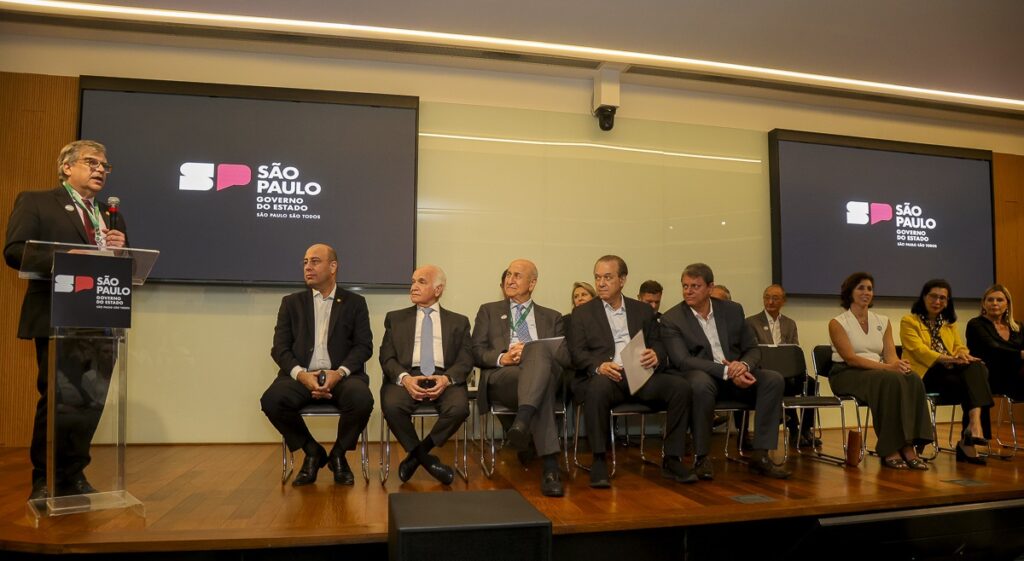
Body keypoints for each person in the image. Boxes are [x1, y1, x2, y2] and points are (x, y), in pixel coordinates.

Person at [4, 140, 127, 500]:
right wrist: (64, 257)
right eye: (91, 162)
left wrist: (120, 250)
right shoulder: (37, 201)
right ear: (67, 167)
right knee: (59, 400)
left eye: (105, 165)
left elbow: (124, 265)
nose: (101, 169)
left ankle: (74, 475)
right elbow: (14, 251)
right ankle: (44, 478)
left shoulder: (110, 214)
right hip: (59, 317)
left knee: (91, 401)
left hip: (103, 318)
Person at [569, 255, 696, 488]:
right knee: (596, 386)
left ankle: (672, 458)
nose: (601, 283)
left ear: (623, 279)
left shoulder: (642, 310)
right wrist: (598, 366)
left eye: (608, 277)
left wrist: (656, 355)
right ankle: (599, 459)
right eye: (598, 278)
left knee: (681, 387)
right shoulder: (583, 313)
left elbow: (658, 342)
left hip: (641, 375)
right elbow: (577, 353)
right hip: (609, 376)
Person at [661, 263, 791, 479]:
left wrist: (744, 366)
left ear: (710, 288)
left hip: (735, 374)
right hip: (702, 376)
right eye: (685, 286)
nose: (688, 291)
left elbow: (751, 348)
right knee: (699, 383)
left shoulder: (732, 310)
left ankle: (760, 455)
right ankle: (702, 458)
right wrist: (728, 371)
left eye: (695, 286)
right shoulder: (672, 318)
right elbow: (682, 360)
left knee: (773, 380)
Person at [260, 244, 374, 486]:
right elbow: (279, 348)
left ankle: (338, 455)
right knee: (271, 400)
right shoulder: (291, 303)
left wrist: (339, 373)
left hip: (341, 376)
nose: (307, 267)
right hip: (302, 375)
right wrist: (301, 375)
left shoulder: (355, 303)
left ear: (333, 267)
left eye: (314, 261)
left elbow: (364, 347)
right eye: (304, 262)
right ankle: (312, 452)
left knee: (362, 399)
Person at [471, 259, 570, 497]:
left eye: (517, 275)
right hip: (504, 377)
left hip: (542, 376)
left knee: (537, 357)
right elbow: (475, 351)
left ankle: (522, 424)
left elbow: (564, 357)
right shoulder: (489, 311)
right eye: (508, 275)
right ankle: (550, 467)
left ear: (532, 283)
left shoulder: (553, 317)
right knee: (541, 379)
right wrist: (502, 357)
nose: (510, 279)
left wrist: (533, 352)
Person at [828, 272, 933, 470]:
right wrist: (888, 368)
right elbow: (851, 358)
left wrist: (899, 366)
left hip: (878, 373)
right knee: (889, 380)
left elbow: (891, 355)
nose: (866, 292)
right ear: (849, 292)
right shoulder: (838, 322)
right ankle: (890, 449)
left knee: (912, 379)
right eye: (860, 288)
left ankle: (910, 445)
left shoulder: (882, 321)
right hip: (846, 373)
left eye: (869, 288)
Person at [379, 265, 472, 485]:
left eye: (421, 282)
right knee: (392, 406)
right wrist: (405, 379)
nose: (413, 287)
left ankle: (418, 454)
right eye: (413, 281)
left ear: (438, 289)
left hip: (444, 376)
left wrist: (446, 379)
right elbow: (386, 358)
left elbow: (466, 359)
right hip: (408, 375)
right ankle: (428, 461)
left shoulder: (459, 321)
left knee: (459, 408)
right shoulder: (395, 318)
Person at [899, 279, 992, 464]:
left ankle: (974, 427)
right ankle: (970, 438)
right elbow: (919, 351)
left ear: (948, 302)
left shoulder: (949, 325)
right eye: (933, 296)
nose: (938, 301)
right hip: (923, 374)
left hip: (950, 374)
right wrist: (951, 359)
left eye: (943, 298)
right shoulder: (909, 321)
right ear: (924, 297)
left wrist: (964, 355)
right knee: (974, 383)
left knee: (977, 367)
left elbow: (959, 347)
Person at [745, 284, 819, 448]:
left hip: (788, 371)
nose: (770, 301)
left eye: (775, 298)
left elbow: (794, 350)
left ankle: (805, 429)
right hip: (765, 371)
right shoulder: (751, 322)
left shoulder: (790, 324)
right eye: (767, 297)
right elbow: (751, 352)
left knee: (811, 383)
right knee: (780, 382)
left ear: (783, 301)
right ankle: (794, 430)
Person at [967, 284, 1024, 401]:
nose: (994, 303)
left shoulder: (1018, 327)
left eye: (999, 300)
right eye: (990, 300)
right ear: (983, 303)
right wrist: (1020, 354)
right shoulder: (976, 324)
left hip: (1017, 376)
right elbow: (993, 348)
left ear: (1007, 304)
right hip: (989, 377)